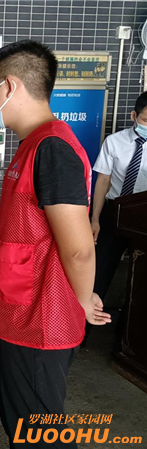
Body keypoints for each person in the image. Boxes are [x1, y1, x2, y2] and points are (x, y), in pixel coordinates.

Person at [0, 40, 111, 448]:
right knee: (20, 420)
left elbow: (79, 248)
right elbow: (18, 208)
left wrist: (82, 300)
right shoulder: (32, 145)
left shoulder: (53, 149)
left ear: (11, 86)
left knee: (39, 431)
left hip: (41, 319)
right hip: (18, 311)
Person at [91, 92, 147, 303]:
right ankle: (86, 318)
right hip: (114, 212)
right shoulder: (114, 142)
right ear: (134, 116)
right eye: (145, 120)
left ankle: (131, 322)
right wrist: (95, 219)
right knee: (100, 271)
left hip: (144, 215)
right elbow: (103, 181)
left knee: (141, 276)